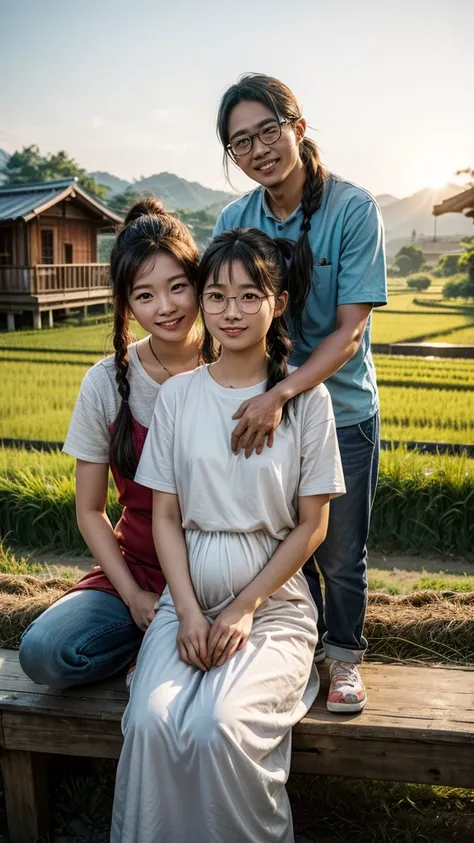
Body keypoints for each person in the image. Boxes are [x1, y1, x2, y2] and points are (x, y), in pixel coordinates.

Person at [111, 228, 345, 843]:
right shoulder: (180, 395)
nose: (231, 312)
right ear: (202, 305)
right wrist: (185, 612)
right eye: (216, 296)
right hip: (184, 596)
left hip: (271, 604)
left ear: (279, 302)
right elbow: (165, 515)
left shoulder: (306, 399)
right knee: (154, 722)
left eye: (249, 296)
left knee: (221, 726)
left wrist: (243, 607)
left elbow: (312, 524)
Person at [213, 73, 388, 712]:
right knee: (282, 541)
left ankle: (344, 658)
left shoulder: (352, 207)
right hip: (268, 410)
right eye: (240, 143)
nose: (259, 150)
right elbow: (224, 313)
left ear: (298, 126)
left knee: (341, 552)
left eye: (267, 131)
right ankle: (301, 644)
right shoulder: (237, 219)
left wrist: (280, 394)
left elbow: (349, 332)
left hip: (338, 411)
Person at [19, 198, 202, 688]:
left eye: (178, 287)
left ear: (200, 284)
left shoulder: (236, 365)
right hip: (138, 571)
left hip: (219, 573)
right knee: (43, 654)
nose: (165, 307)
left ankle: (161, 649)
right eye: (144, 295)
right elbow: (90, 510)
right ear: (125, 304)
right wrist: (136, 597)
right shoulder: (105, 383)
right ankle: (151, 639)